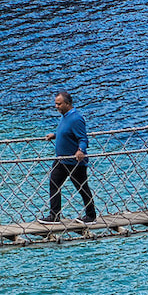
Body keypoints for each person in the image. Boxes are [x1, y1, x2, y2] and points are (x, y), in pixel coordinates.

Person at [42, 91, 96, 223]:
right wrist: (55, 135)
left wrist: (81, 150)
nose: (56, 106)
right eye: (55, 104)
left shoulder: (76, 118)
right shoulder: (64, 116)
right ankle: (54, 215)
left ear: (67, 103)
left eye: (59, 104)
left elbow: (83, 138)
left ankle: (91, 216)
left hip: (74, 162)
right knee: (54, 184)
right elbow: (67, 132)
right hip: (61, 160)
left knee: (82, 187)